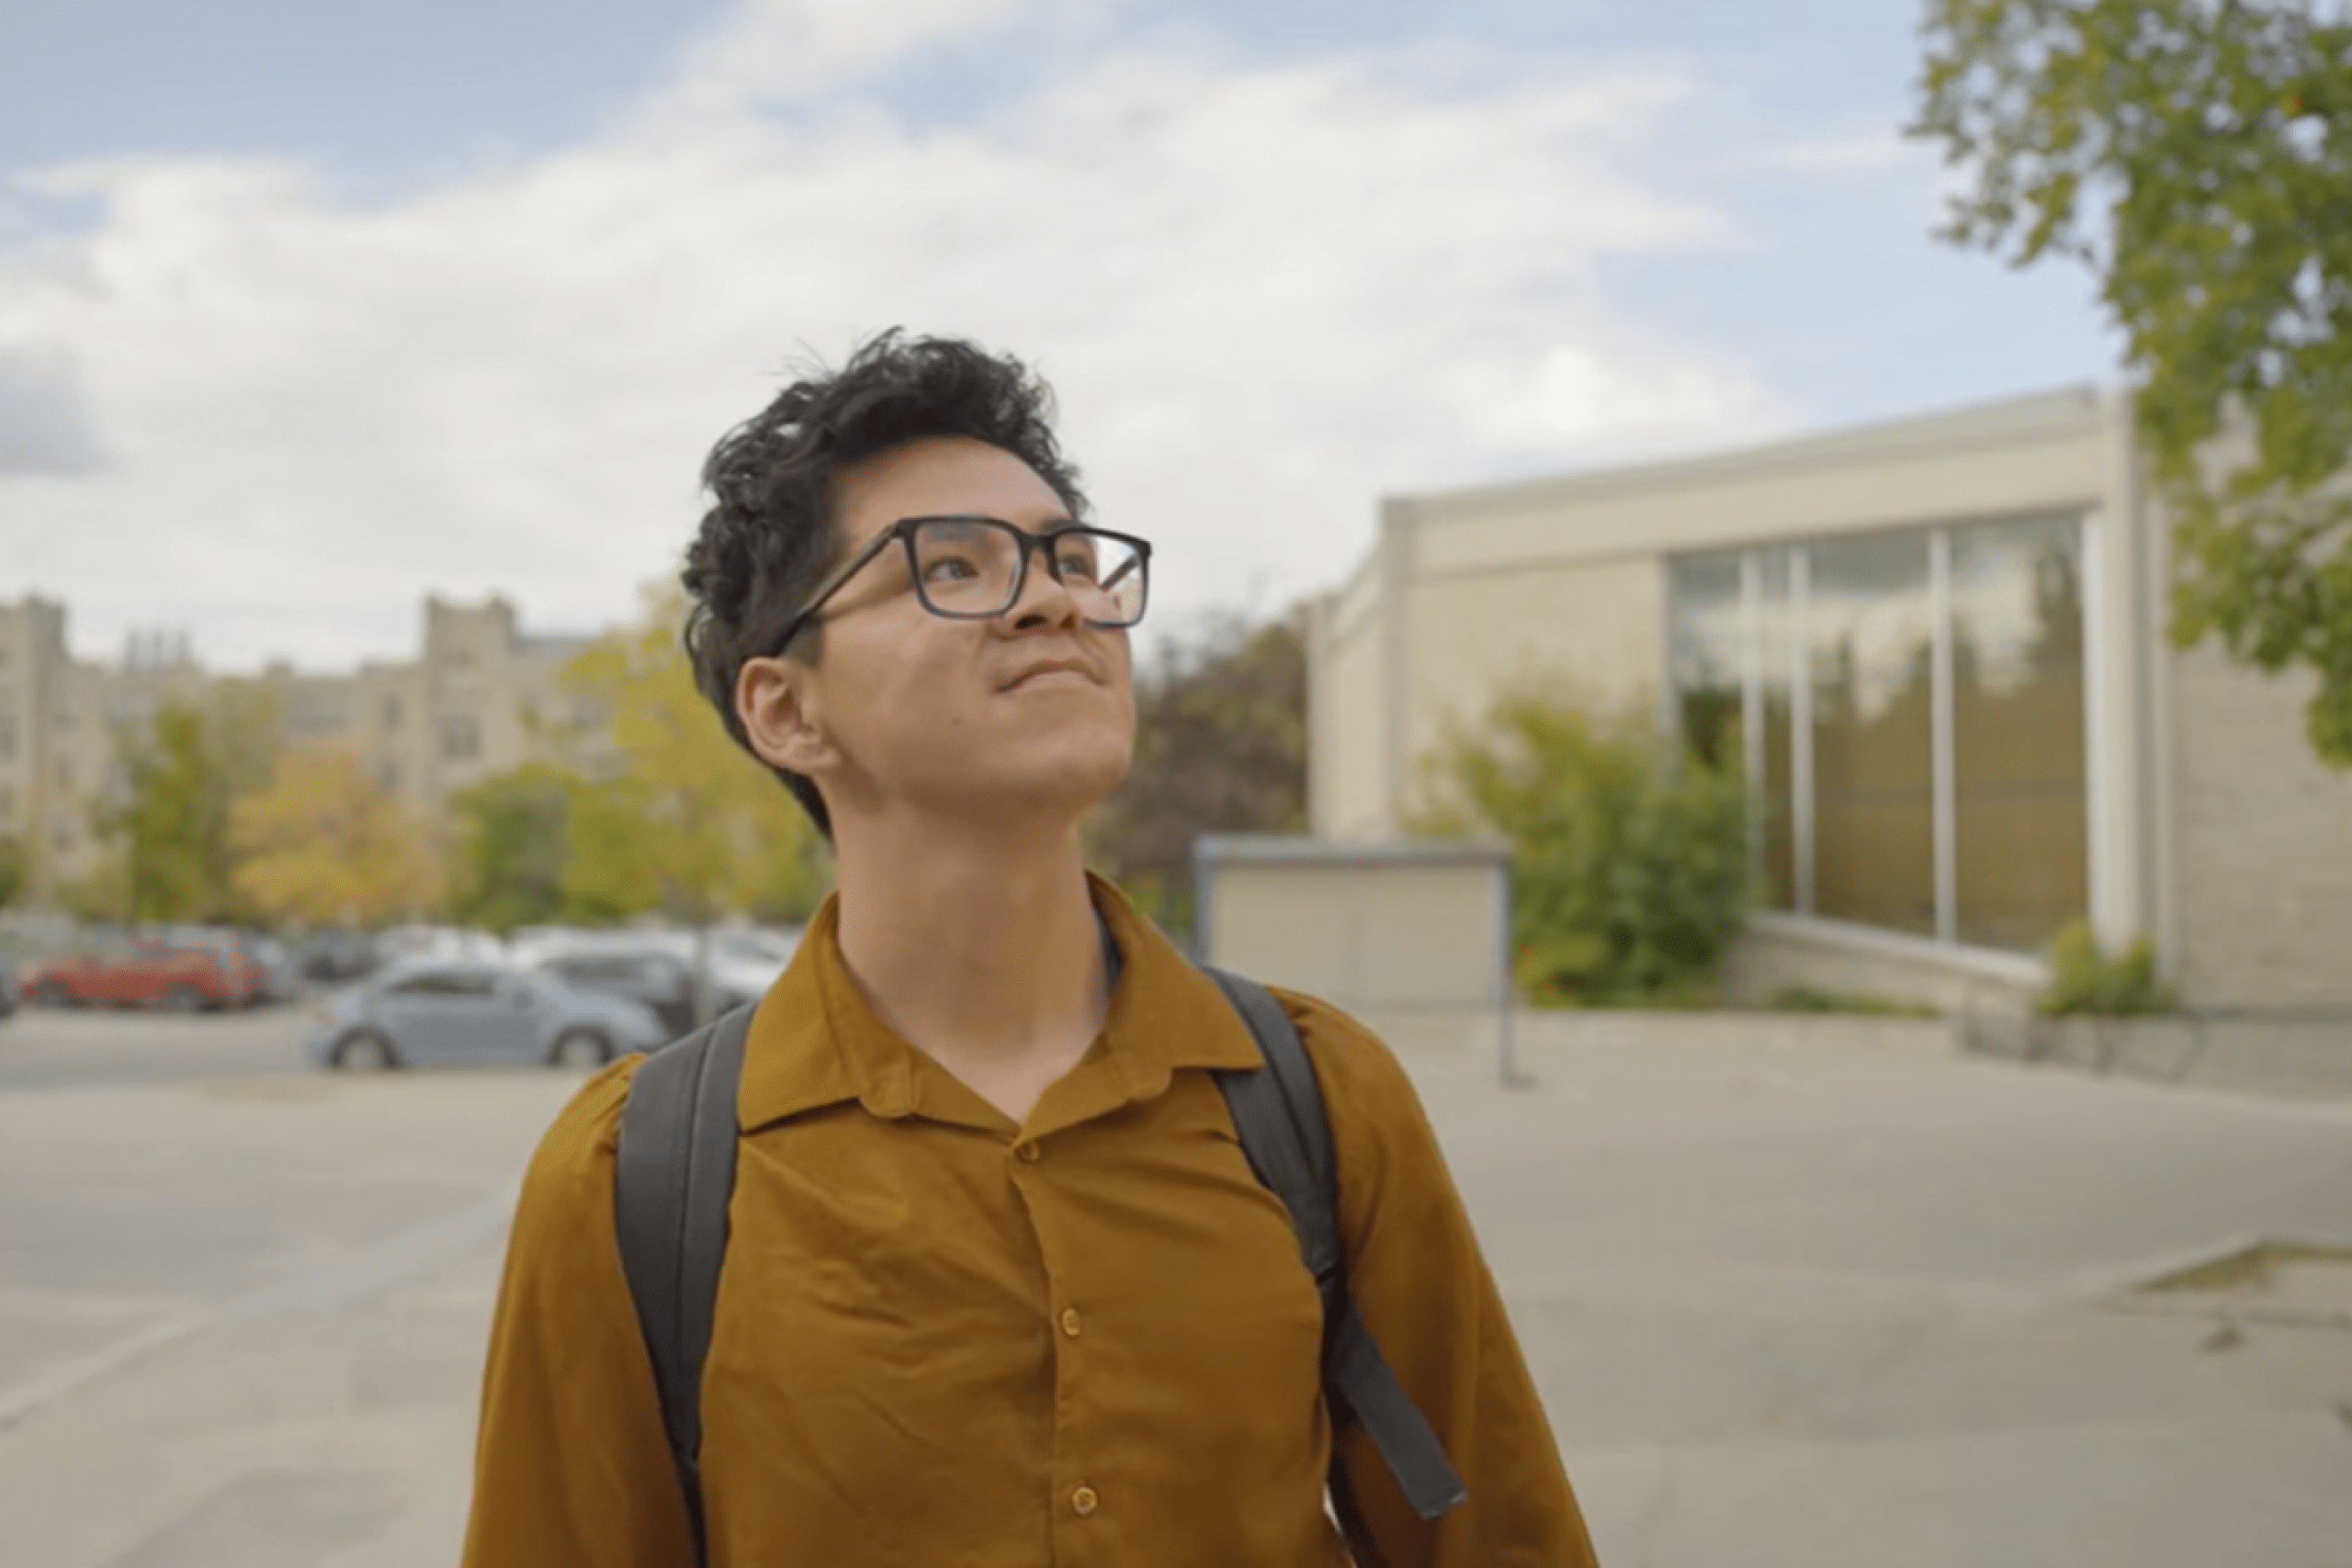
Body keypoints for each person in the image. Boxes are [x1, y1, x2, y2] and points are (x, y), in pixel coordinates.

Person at [459, 332, 1600, 1566]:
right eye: (950, 564)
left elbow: (1501, 1536)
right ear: (787, 708)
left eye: (1070, 559)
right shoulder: (639, 1178)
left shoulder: (1318, 1097)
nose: (1057, 597)